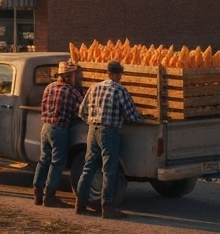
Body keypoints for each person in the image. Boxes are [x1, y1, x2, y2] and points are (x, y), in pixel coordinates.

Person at [75, 60, 143, 218]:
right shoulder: (119, 90)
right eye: (119, 74)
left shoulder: (94, 88)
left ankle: (80, 203)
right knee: (110, 169)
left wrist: (92, 121)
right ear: (114, 74)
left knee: (89, 166)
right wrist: (141, 117)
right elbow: (131, 115)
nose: (120, 76)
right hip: (109, 131)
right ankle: (107, 207)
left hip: (93, 130)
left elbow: (82, 112)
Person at [32, 60, 82, 207]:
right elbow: (83, 108)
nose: (74, 78)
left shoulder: (49, 87)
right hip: (60, 129)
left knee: (43, 160)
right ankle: (50, 196)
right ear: (68, 76)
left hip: (46, 127)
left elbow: (43, 105)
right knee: (57, 162)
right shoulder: (72, 92)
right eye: (73, 75)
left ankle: (37, 192)